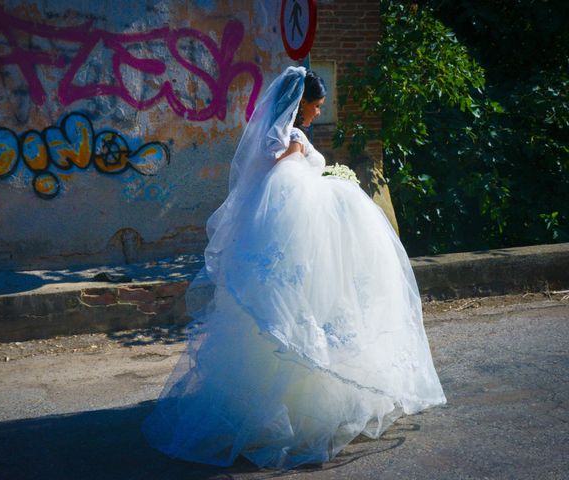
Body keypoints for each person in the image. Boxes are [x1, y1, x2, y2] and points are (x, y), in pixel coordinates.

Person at [142, 66, 446, 470]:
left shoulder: (274, 140)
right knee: (303, 320)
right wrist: (335, 185)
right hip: (301, 245)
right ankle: (301, 417)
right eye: (316, 106)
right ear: (299, 104)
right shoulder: (291, 142)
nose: (319, 113)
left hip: (284, 247)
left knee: (286, 323)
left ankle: (267, 407)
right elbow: (288, 186)